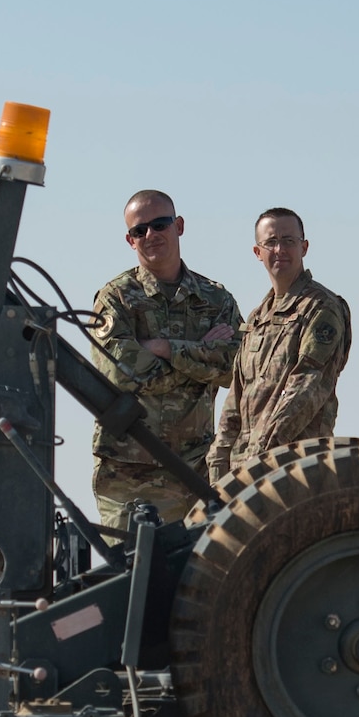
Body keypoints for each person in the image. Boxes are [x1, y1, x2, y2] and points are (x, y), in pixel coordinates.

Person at [90, 190, 241, 528]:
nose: (150, 236)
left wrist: (165, 348)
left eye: (160, 224)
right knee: (135, 576)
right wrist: (200, 353)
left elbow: (237, 367)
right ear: (129, 241)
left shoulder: (216, 300)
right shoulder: (116, 299)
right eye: (139, 231)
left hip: (199, 472)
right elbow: (120, 373)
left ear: (179, 226)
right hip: (131, 475)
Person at [207, 208, 352, 484]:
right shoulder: (258, 317)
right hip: (245, 471)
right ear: (257, 252)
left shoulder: (322, 308)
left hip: (294, 467)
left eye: (289, 241)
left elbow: (307, 387)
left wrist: (261, 456)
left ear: (304, 247)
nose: (279, 250)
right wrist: (218, 463)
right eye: (271, 242)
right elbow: (237, 396)